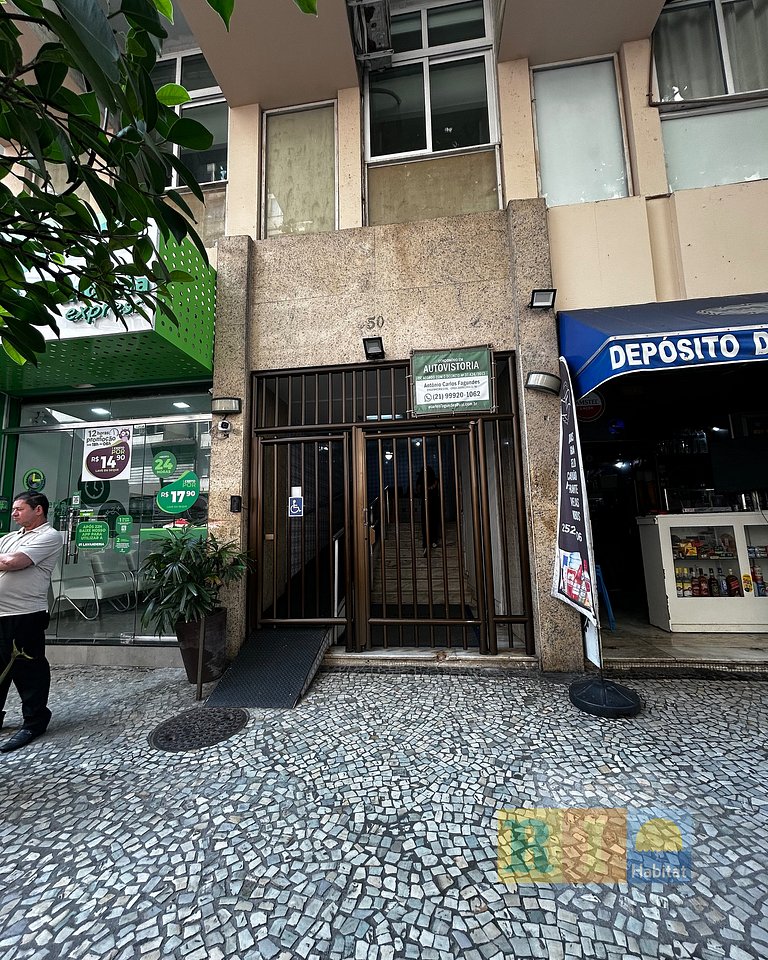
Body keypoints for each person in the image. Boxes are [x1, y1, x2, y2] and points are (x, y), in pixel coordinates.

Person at [0, 492, 63, 753]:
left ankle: (34, 721)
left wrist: (7, 562)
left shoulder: (49, 536)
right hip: (1, 614)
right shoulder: (10, 538)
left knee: (28, 669)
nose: (14, 513)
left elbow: (14, 562)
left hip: (25, 614)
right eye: (14, 509)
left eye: (20, 509)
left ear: (38, 510)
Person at [416, 465, 442, 553]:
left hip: (426, 505)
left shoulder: (420, 481)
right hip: (435, 505)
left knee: (426, 524)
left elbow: (418, 491)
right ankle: (433, 541)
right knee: (434, 523)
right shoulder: (436, 481)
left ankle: (426, 543)